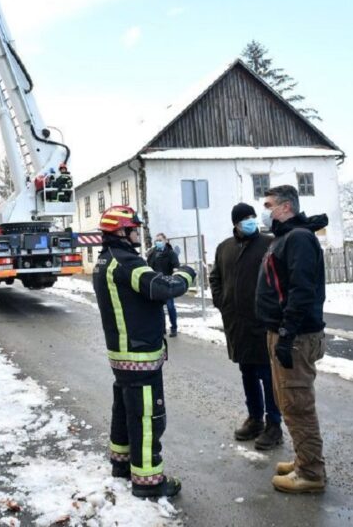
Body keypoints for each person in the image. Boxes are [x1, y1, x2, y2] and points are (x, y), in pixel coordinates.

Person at [92, 205, 196, 498]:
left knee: (125, 412)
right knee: (149, 417)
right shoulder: (127, 262)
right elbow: (161, 288)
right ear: (122, 231)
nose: (138, 232)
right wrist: (186, 274)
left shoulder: (105, 261)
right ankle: (149, 481)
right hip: (139, 355)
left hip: (123, 354)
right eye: (134, 228)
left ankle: (122, 465)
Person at [255, 185, 328, 494]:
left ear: (285, 207)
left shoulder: (298, 238)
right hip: (283, 333)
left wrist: (286, 333)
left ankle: (311, 473)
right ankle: (304, 460)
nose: (265, 210)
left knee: (298, 405)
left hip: (295, 337)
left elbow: (301, 290)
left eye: (269, 204)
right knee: (287, 401)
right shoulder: (284, 238)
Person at [209, 203, 282, 450]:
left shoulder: (269, 243)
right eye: (245, 218)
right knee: (247, 373)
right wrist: (222, 302)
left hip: (262, 322)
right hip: (236, 324)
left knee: (267, 375)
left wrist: (273, 310)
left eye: (252, 217)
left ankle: (274, 424)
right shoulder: (225, 248)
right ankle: (254, 419)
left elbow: (280, 279)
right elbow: (215, 277)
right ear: (236, 223)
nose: (250, 221)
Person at [146, 233, 181, 336]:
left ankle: (174, 327)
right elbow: (148, 267)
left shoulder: (171, 253)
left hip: (168, 283)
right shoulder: (152, 254)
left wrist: (174, 278)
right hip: (157, 284)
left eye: (160, 240)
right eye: (156, 240)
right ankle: (162, 328)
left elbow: (176, 267)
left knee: (170, 307)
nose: (158, 242)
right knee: (158, 308)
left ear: (165, 240)